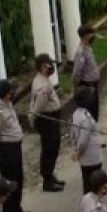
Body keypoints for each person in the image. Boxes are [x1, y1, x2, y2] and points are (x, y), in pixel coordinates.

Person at [0, 80, 28, 212]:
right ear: (5, 94)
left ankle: (17, 209)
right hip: (6, 149)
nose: (13, 93)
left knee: (18, 178)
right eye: (10, 91)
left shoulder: (9, 104)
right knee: (9, 183)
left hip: (15, 147)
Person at [29, 54, 64, 192]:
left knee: (54, 147)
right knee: (49, 148)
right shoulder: (41, 84)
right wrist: (33, 118)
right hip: (47, 119)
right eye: (50, 65)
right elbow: (38, 106)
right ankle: (47, 180)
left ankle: (50, 175)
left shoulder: (44, 80)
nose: (52, 68)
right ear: (43, 66)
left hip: (51, 117)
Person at [70, 86, 102, 192]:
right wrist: (78, 151)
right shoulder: (86, 118)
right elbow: (83, 140)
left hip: (85, 160)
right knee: (94, 187)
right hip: (91, 158)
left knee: (87, 184)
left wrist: (74, 148)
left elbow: (72, 134)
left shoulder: (75, 114)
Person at [73, 25, 101, 119]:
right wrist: (76, 87)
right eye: (91, 34)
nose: (93, 36)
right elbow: (77, 72)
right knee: (91, 113)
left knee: (95, 111)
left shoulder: (88, 47)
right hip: (88, 85)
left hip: (93, 85)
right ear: (85, 36)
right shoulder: (81, 52)